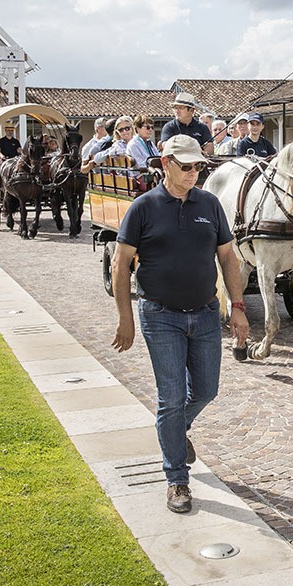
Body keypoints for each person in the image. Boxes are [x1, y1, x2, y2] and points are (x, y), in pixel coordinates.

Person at [111, 134, 249, 514]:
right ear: (165, 163)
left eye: (198, 167)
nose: (193, 173)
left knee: (205, 391)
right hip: (160, 316)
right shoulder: (143, 208)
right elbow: (120, 264)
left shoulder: (210, 205)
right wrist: (126, 317)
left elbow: (229, 259)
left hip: (205, 313)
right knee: (170, 398)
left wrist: (237, 307)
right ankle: (176, 479)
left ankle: (175, 430)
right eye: (186, 166)